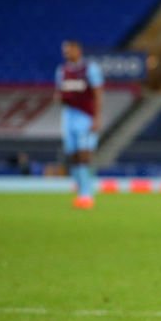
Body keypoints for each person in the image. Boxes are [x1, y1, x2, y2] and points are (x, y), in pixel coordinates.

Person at [55, 40, 103, 210]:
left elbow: (98, 93)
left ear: (78, 50)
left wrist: (97, 118)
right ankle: (81, 191)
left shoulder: (90, 69)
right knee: (73, 156)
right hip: (68, 116)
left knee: (84, 155)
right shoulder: (62, 71)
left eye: (69, 50)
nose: (67, 53)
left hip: (85, 116)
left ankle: (87, 195)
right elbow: (60, 93)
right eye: (64, 51)